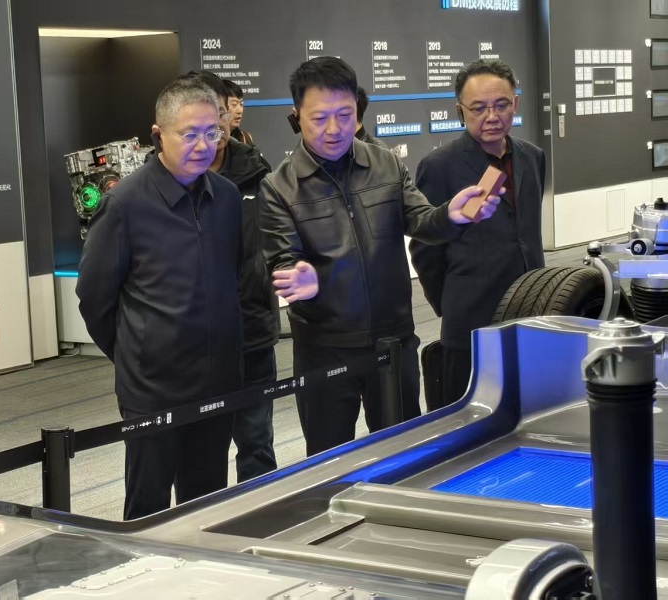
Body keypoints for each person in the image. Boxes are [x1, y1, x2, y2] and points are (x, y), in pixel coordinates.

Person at [259, 57, 502, 457]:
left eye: (345, 115)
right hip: (324, 348)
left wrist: (451, 215)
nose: (334, 129)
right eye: (320, 118)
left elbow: (421, 220)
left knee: (403, 454)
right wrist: (303, 278)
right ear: (296, 115)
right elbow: (283, 259)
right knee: (328, 460)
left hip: (393, 342)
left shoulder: (385, 162)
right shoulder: (279, 187)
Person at [76, 78, 244, 520]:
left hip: (218, 381)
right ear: (158, 135)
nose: (203, 145)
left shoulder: (226, 197)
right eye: (189, 134)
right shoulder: (124, 204)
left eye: (212, 132)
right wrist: (136, 353)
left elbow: (237, 278)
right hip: (153, 390)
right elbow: (94, 298)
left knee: (206, 505)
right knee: (148, 509)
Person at [410, 59, 546, 409]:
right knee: (471, 421)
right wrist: (451, 303)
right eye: (479, 108)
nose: (492, 116)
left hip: (532, 311)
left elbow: (526, 233)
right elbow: (425, 249)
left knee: (531, 411)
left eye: (501, 105)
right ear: (461, 111)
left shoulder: (533, 157)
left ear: (515, 104)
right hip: (471, 322)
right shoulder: (439, 166)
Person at [196, 71, 279, 482]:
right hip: (194, 345)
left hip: (252, 333)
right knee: (199, 455)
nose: (220, 122)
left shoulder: (258, 171)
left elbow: (278, 242)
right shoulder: (166, 181)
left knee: (257, 444)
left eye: (224, 112)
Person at [223, 79, 255, 146]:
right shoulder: (211, 139)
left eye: (241, 104)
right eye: (234, 104)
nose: (240, 111)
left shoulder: (245, 138)